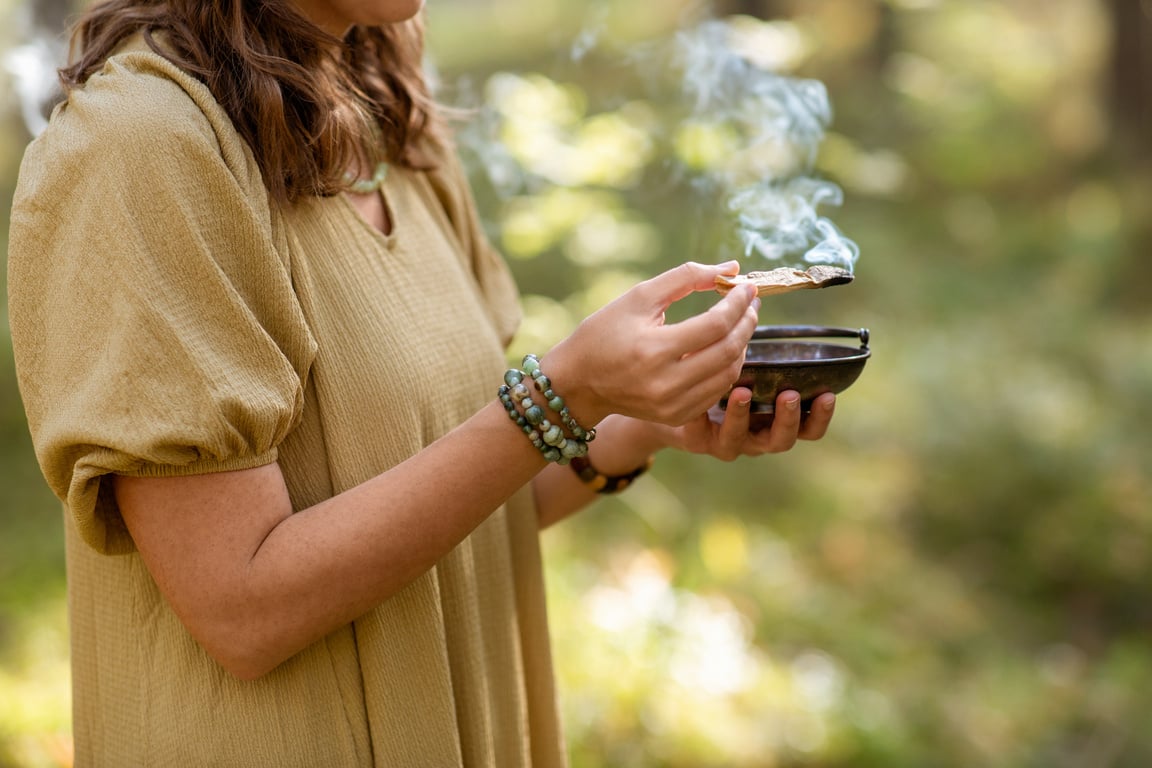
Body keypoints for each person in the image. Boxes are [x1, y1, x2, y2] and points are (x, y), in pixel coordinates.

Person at [7, 0, 837, 765]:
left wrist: (637, 421)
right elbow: (241, 609)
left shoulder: (390, 124)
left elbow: (464, 506)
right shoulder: (142, 149)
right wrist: (565, 395)